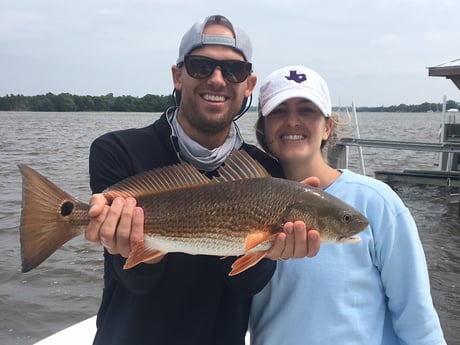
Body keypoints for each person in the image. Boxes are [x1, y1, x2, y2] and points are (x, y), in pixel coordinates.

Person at [83, 17, 321, 345]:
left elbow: (245, 285)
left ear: (249, 85)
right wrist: (125, 245)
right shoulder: (118, 150)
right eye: (201, 66)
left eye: (233, 71)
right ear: (177, 76)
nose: (217, 79)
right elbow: (136, 283)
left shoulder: (266, 168)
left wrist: (271, 250)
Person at [249, 65, 446, 344]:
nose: (292, 121)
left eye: (307, 110)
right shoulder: (245, 203)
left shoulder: (377, 202)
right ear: (263, 128)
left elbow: (418, 320)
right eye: (279, 111)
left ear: (328, 126)